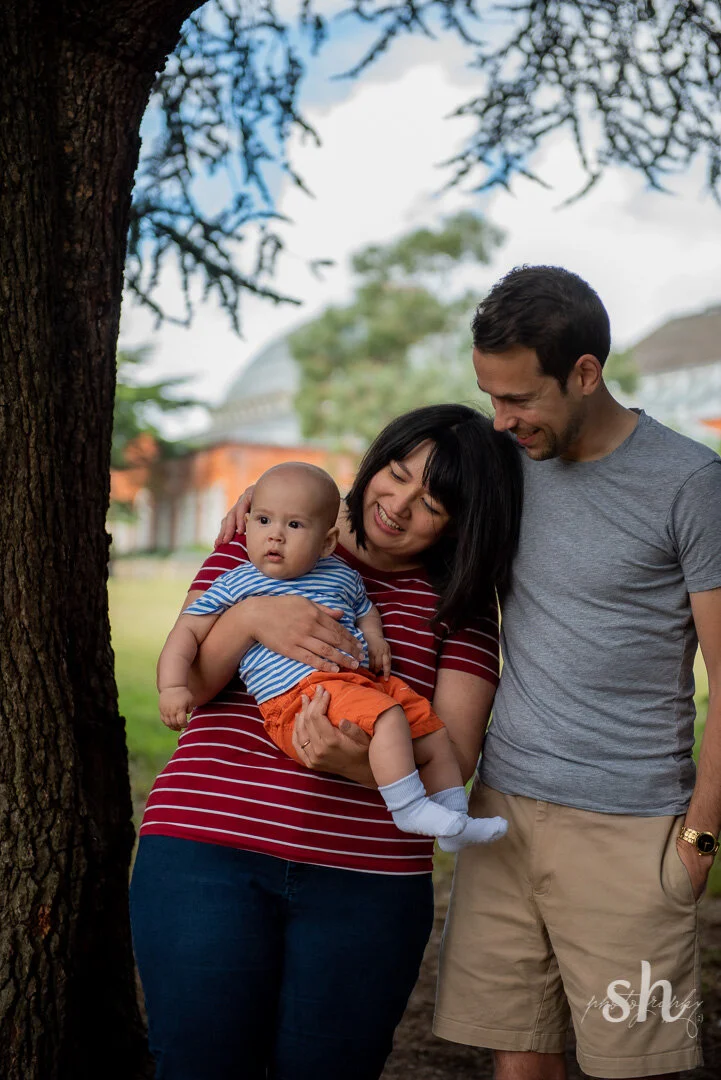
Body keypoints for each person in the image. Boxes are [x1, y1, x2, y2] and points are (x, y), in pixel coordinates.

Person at [130, 404, 523, 1080]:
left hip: (365, 882)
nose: (397, 505)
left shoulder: (459, 607)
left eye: (430, 502)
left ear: (463, 520)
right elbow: (190, 683)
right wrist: (252, 617)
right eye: (395, 475)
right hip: (207, 852)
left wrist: (360, 768)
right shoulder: (262, 539)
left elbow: (450, 759)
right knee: (198, 1064)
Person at [433, 266, 721, 1080]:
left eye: (518, 398)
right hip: (503, 816)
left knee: (633, 1067)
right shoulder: (503, 461)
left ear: (585, 373)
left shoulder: (691, 486)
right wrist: (268, 512)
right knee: (519, 1064)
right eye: (488, 396)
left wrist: (697, 842)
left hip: (630, 832)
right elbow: (388, 507)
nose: (500, 419)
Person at [157, 460, 507, 849]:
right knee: (390, 718)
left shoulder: (340, 572)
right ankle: (409, 809)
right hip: (298, 697)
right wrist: (175, 684)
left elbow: (364, 609)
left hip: (356, 688)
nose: (275, 536)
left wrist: (376, 640)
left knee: (431, 732)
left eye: (431, 503)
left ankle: (454, 822)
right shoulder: (240, 575)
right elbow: (186, 633)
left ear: (327, 540)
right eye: (264, 521)